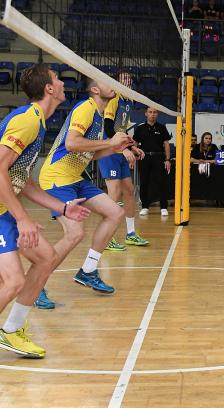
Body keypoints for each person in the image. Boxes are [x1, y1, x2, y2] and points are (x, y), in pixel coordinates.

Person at [0, 64, 91, 358]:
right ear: (49, 89)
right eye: (57, 79)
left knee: (47, 258)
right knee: (13, 280)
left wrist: (62, 207)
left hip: (4, 209)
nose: (63, 83)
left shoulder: (38, 122)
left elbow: (21, 179)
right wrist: (23, 219)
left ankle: (11, 331)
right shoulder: (27, 121)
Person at [39, 77, 134, 295]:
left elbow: (90, 154)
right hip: (57, 178)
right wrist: (110, 142)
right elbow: (72, 144)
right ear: (94, 89)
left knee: (115, 212)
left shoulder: (100, 116)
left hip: (74, 177)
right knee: (75, 233)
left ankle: (88, 270)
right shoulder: (86, 108)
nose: (113, 85)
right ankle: (37, 283)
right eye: (106, 82)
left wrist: (116, 147)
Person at [98, 71, 149, 254]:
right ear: (117, 83)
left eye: (129, 80)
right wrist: (124, 148)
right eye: (123, 80)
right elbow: (108, 129)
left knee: (129, 190)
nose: (127, 82)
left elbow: (121, 130)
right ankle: (108, 237)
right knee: (114, 193)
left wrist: (131, 146)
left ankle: (131, 233)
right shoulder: (114, 98)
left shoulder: (129, 101)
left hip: (119, 150)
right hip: (109, 151)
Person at [133, 107, 172, 217]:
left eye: (155, 112)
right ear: (146, 114)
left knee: (161, 182)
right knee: (144, 182)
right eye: (150, 112)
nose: (152, 114)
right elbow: (135, 144)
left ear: (157, 114)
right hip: (144, 157)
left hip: (158, 157)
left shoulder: (162, 127)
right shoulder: (140, 128)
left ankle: (163, 207)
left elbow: (166, 144)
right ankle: (145, 206)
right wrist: (135, 155)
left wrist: (167, 160)